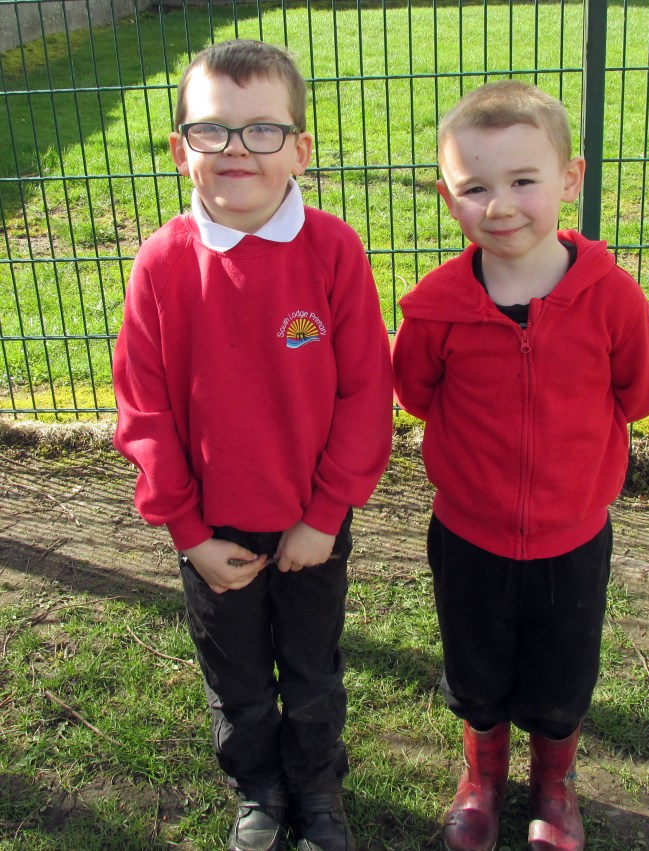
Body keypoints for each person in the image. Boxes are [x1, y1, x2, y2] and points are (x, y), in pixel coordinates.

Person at [112, 39, 393, 851]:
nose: (237, 149)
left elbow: (365, 394)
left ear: (300, 148)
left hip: (312, 526)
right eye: (213, 130)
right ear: (181, 150)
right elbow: (143, 409)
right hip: (209, 529)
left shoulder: (333, 251)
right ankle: (259, 790)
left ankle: (316, 788)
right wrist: (187, 532)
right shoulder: (161, 264)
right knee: (235, 676)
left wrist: (325, 515)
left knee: (311, 670)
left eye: (263, 129)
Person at [392, 80, 649, 851]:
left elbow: (639, 392)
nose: (500, 206)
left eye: (523, 181)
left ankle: (554, 781)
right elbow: (415, 392)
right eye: (475, 187)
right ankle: (482, 777)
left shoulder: (611, 297)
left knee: (561, 676)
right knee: (475, 671)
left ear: (570, 179)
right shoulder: (435, 307)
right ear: (448, 199)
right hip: (468, 535)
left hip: (572, 537)